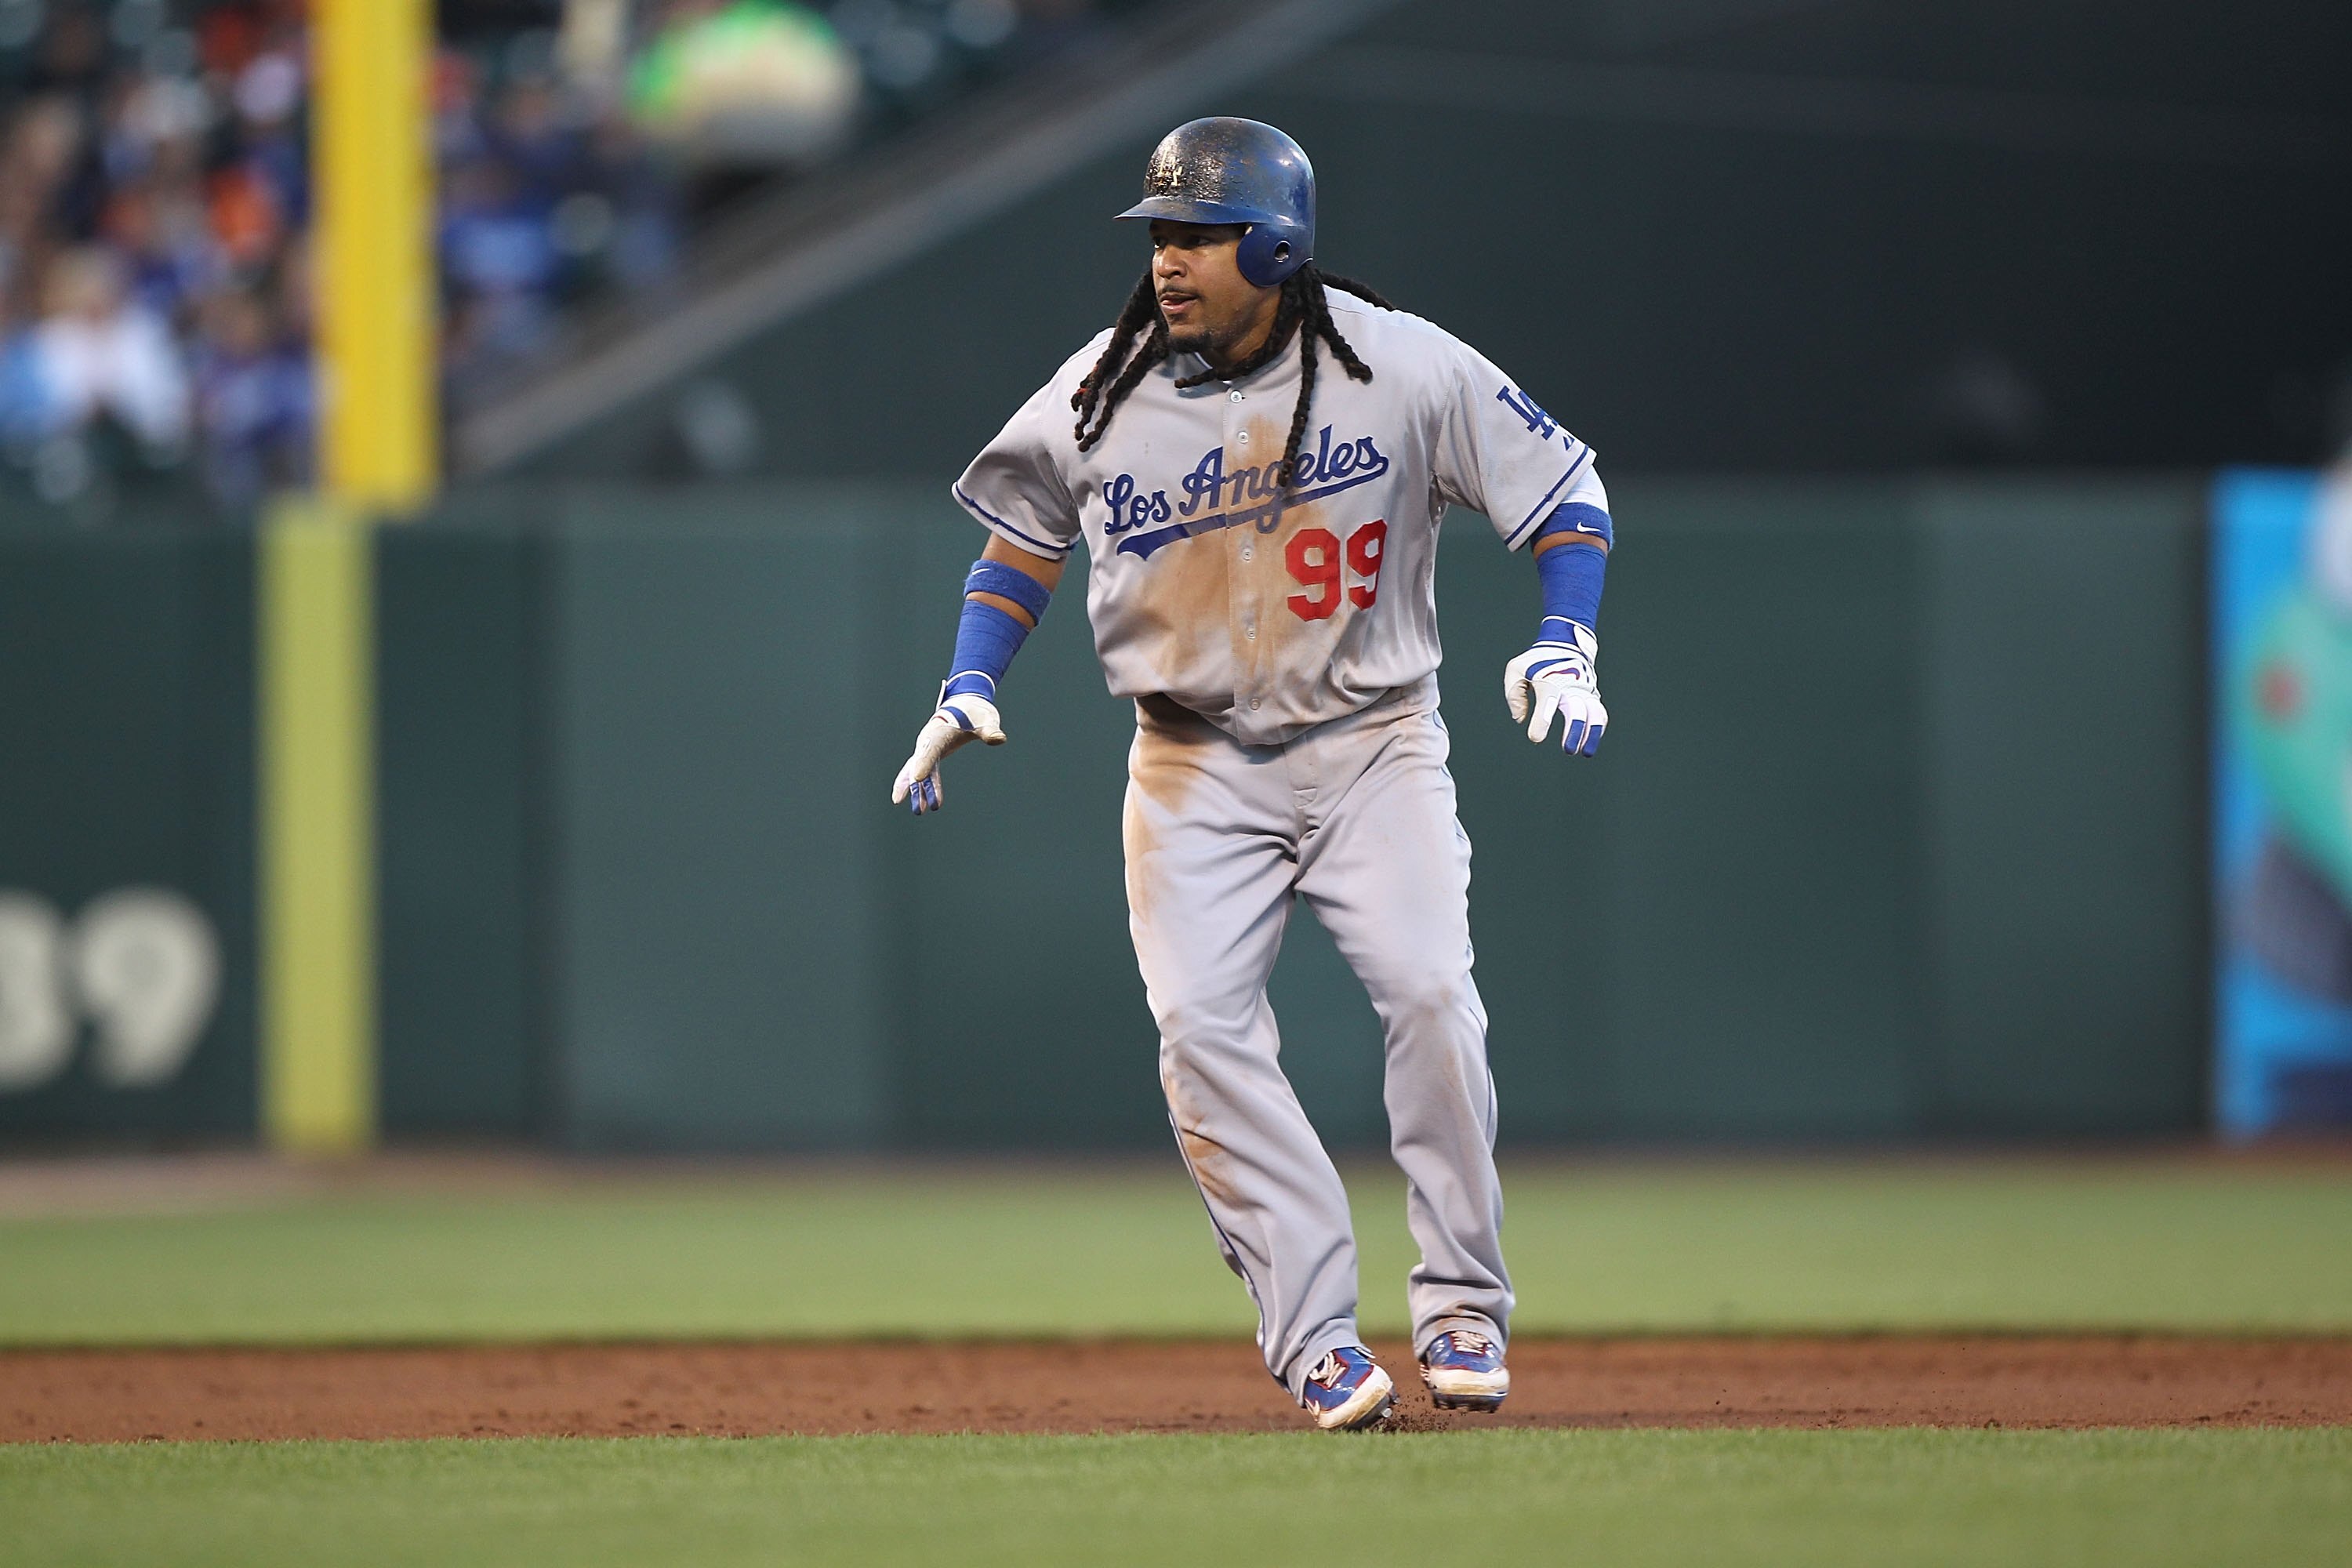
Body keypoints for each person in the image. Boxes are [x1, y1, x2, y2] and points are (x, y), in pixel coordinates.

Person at [891, 118, 1612, 1430]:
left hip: (1372, 743)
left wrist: (1566, 636)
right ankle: (1314, 1338)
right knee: (1202, 1037)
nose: (1168, 262)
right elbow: (1019, 545)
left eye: (1199, 236)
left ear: (1276, 243)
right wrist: (969, 677)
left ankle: (1460, 1302)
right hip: (1190, 763)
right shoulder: (1099, 390)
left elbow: (1567, 490)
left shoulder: (1398, 366)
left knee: (1434, 996)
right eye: (1160, 237)